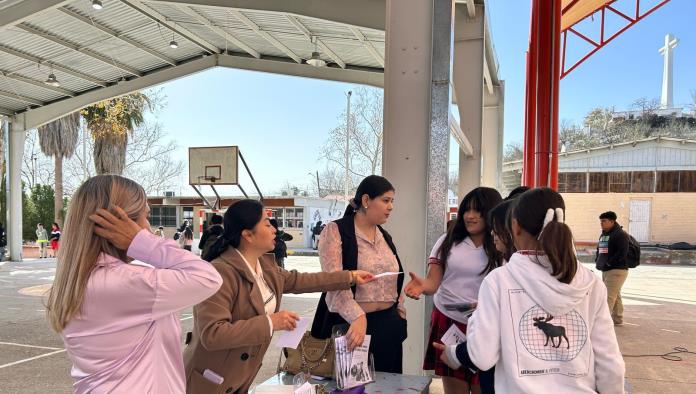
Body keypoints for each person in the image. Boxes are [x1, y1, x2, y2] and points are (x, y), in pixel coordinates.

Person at [435, 188, 625, 393]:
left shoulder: (499, 281)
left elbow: (482, 356)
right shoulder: (591, 283)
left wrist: (460, 345)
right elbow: (609, 363)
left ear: (514, 226)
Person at [45, 175, 223, 393]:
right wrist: (140, 241)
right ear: (121, 224)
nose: (147, 226)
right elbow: (207, 277)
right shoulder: (125, 283)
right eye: (145, 216)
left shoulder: (79, 281)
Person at [183, 199, 374, 394]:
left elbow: (301, 280)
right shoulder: (220, 273)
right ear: (247, 235)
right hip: (209, 380)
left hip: (239, 378)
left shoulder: (265, 267)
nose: (274, 229)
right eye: (266, 223)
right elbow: (212, 334)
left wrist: (349, 276)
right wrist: (271, 322)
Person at [404, 187, 503, 394]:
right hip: (448, 322)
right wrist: (423, 286)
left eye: (477, 211)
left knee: (481, 387)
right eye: (466, 210)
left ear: (491, 213)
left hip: (485, 324)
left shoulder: (500, 244)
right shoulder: (447, 241)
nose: (470, 216)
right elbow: (433, 282)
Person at [311, 175, 407, 374]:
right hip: (351, 328)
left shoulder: (384, 235)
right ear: (365, 200)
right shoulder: (336, 231)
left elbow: (390, 277)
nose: (391, 207)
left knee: (388, 387)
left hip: (387, 327)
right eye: (386, 200)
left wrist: (399, 306)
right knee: (352, 387)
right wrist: (358, 316)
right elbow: (334, 281)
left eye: (392, 201)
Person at [595, 211, 630, 325]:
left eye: (604, 221)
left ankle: (602, 322)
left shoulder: (620, 235)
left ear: (612, 221)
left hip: (617, 270)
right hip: (606, 269)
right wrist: (599, 260)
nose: (601, 223)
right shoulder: (605, 234)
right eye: (601, 221)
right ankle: (617, 318)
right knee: (616, 295)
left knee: (608, 296)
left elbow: (622, 253)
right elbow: (600, 249)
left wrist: (609, 263)